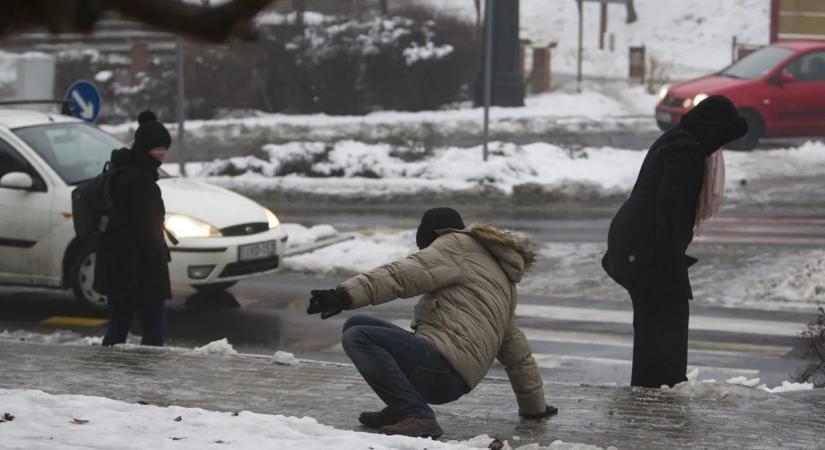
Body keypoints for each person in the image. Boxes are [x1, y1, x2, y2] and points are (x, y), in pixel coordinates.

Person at [307, 208, 557, 439]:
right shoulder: (498, 277)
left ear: (433, 236)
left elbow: (400, 275)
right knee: (357, 323)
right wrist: (535, 409)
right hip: (453, 377)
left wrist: (343, 295)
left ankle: (417, 414)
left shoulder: (454, 245)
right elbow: (518, 354)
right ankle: (401, 406)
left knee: (359, 336)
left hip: (443, 369)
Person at [601, 96, 747, 388]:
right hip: (644, 249)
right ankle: (660, 390)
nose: (719, 148)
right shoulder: (686, 153)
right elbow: (669, 211)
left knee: (654, 324)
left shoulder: (677, 140)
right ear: (714, 130)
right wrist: (671, 264)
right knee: (666, 320)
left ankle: (651, 388)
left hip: (635, 244)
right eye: (722, 138)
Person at [97, 110, 172, 347]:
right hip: (140, 267)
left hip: (117, 263)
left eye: (164, 147)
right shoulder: (141, 181)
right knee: (153, 330)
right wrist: (158, 260)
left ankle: (110, 371)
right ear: (144, 148)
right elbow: (147, 229)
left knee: (118, 325)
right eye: (157, 148)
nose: (161, 153)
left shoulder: (121, 170)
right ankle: (147, 378)